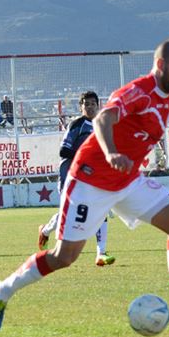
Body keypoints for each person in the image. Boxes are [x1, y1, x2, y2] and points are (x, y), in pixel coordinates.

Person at [0, 39, 169, 336]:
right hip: (90, 180)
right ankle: (2, 291)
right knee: (64, 257)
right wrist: (111, 152)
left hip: (127, 180)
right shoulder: (137, 91)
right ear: (161, 65)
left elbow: (167, 109)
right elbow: (103, 117)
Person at [37, 91, 116, 266]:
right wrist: (85, 159)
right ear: (81, 107)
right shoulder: (77, 125)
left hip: (92, 177)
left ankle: (101, 253)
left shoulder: (103, 126)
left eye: (92, 104)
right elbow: (63, 151)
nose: (89, 107)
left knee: (100, 209)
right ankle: (46, 230)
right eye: (86, 104)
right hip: (71, 176)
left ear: (98, 105)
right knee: (71, 214)